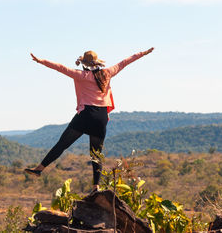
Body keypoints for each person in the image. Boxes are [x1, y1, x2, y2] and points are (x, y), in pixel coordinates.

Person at [24, 47, 154, 192]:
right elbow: (125, 62)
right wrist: (143, 53)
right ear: (97, 62)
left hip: (86, 115)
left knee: (62, 144)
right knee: (96, 154)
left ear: (85, 63)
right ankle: (96, 186)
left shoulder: (80, 75)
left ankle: (40, 169)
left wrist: (40, 60)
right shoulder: (107, 73)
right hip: (101, 117)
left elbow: (59, 67)